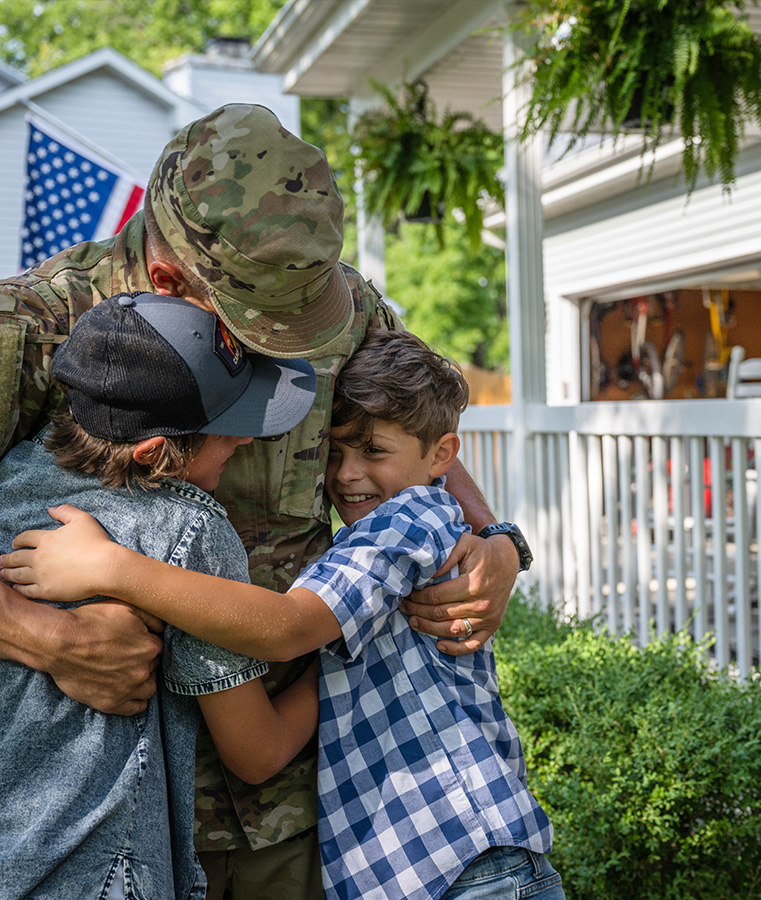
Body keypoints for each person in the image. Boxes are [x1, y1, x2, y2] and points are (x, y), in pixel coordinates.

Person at [0, 103, 527, 899]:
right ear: (173, 280)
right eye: (265, 332)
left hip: (305, 788)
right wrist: (38, 633)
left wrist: (496, 541)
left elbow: (419, 434)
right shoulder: (37, 326)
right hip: (107, 806)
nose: (295, 339)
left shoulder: (324, 299)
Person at [3, 329, 562, 900]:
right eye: (334, 452)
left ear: (441, 456)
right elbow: (259, 752)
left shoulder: (414, 518)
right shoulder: (363, 543)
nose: (345, 475)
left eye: (374, 451)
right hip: (414, 866)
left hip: (469, 861)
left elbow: (288, 628)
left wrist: (111, 568)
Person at [0, 292, 322, 900]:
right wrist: (341, 670)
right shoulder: (189, 530)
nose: (246, 443)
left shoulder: (12, 473)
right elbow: (256, 752)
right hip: (101, 875)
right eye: (229, 429)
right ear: (156, 453)